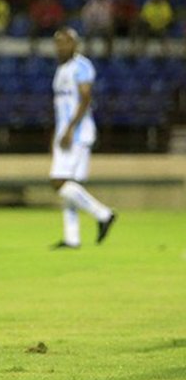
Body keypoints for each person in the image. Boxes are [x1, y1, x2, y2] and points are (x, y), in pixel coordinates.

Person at [50, 28, 116, 250]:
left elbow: (85, 98)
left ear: (75, 44)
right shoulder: (61, 69)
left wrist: (69, 129)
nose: (61, 47)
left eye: (65, 42)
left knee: (59, 182)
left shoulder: (81, 66)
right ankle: (72, 238)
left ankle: (103, 214)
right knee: (70, 185)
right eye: (58, 43)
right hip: (65, 132)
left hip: (77, 133)